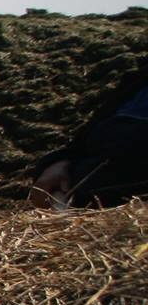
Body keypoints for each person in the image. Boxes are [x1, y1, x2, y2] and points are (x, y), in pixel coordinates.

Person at [30, 71, 148, 209]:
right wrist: (60, 163)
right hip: (81, 201)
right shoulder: (137, 84)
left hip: (111, 208)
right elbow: (83, 143)